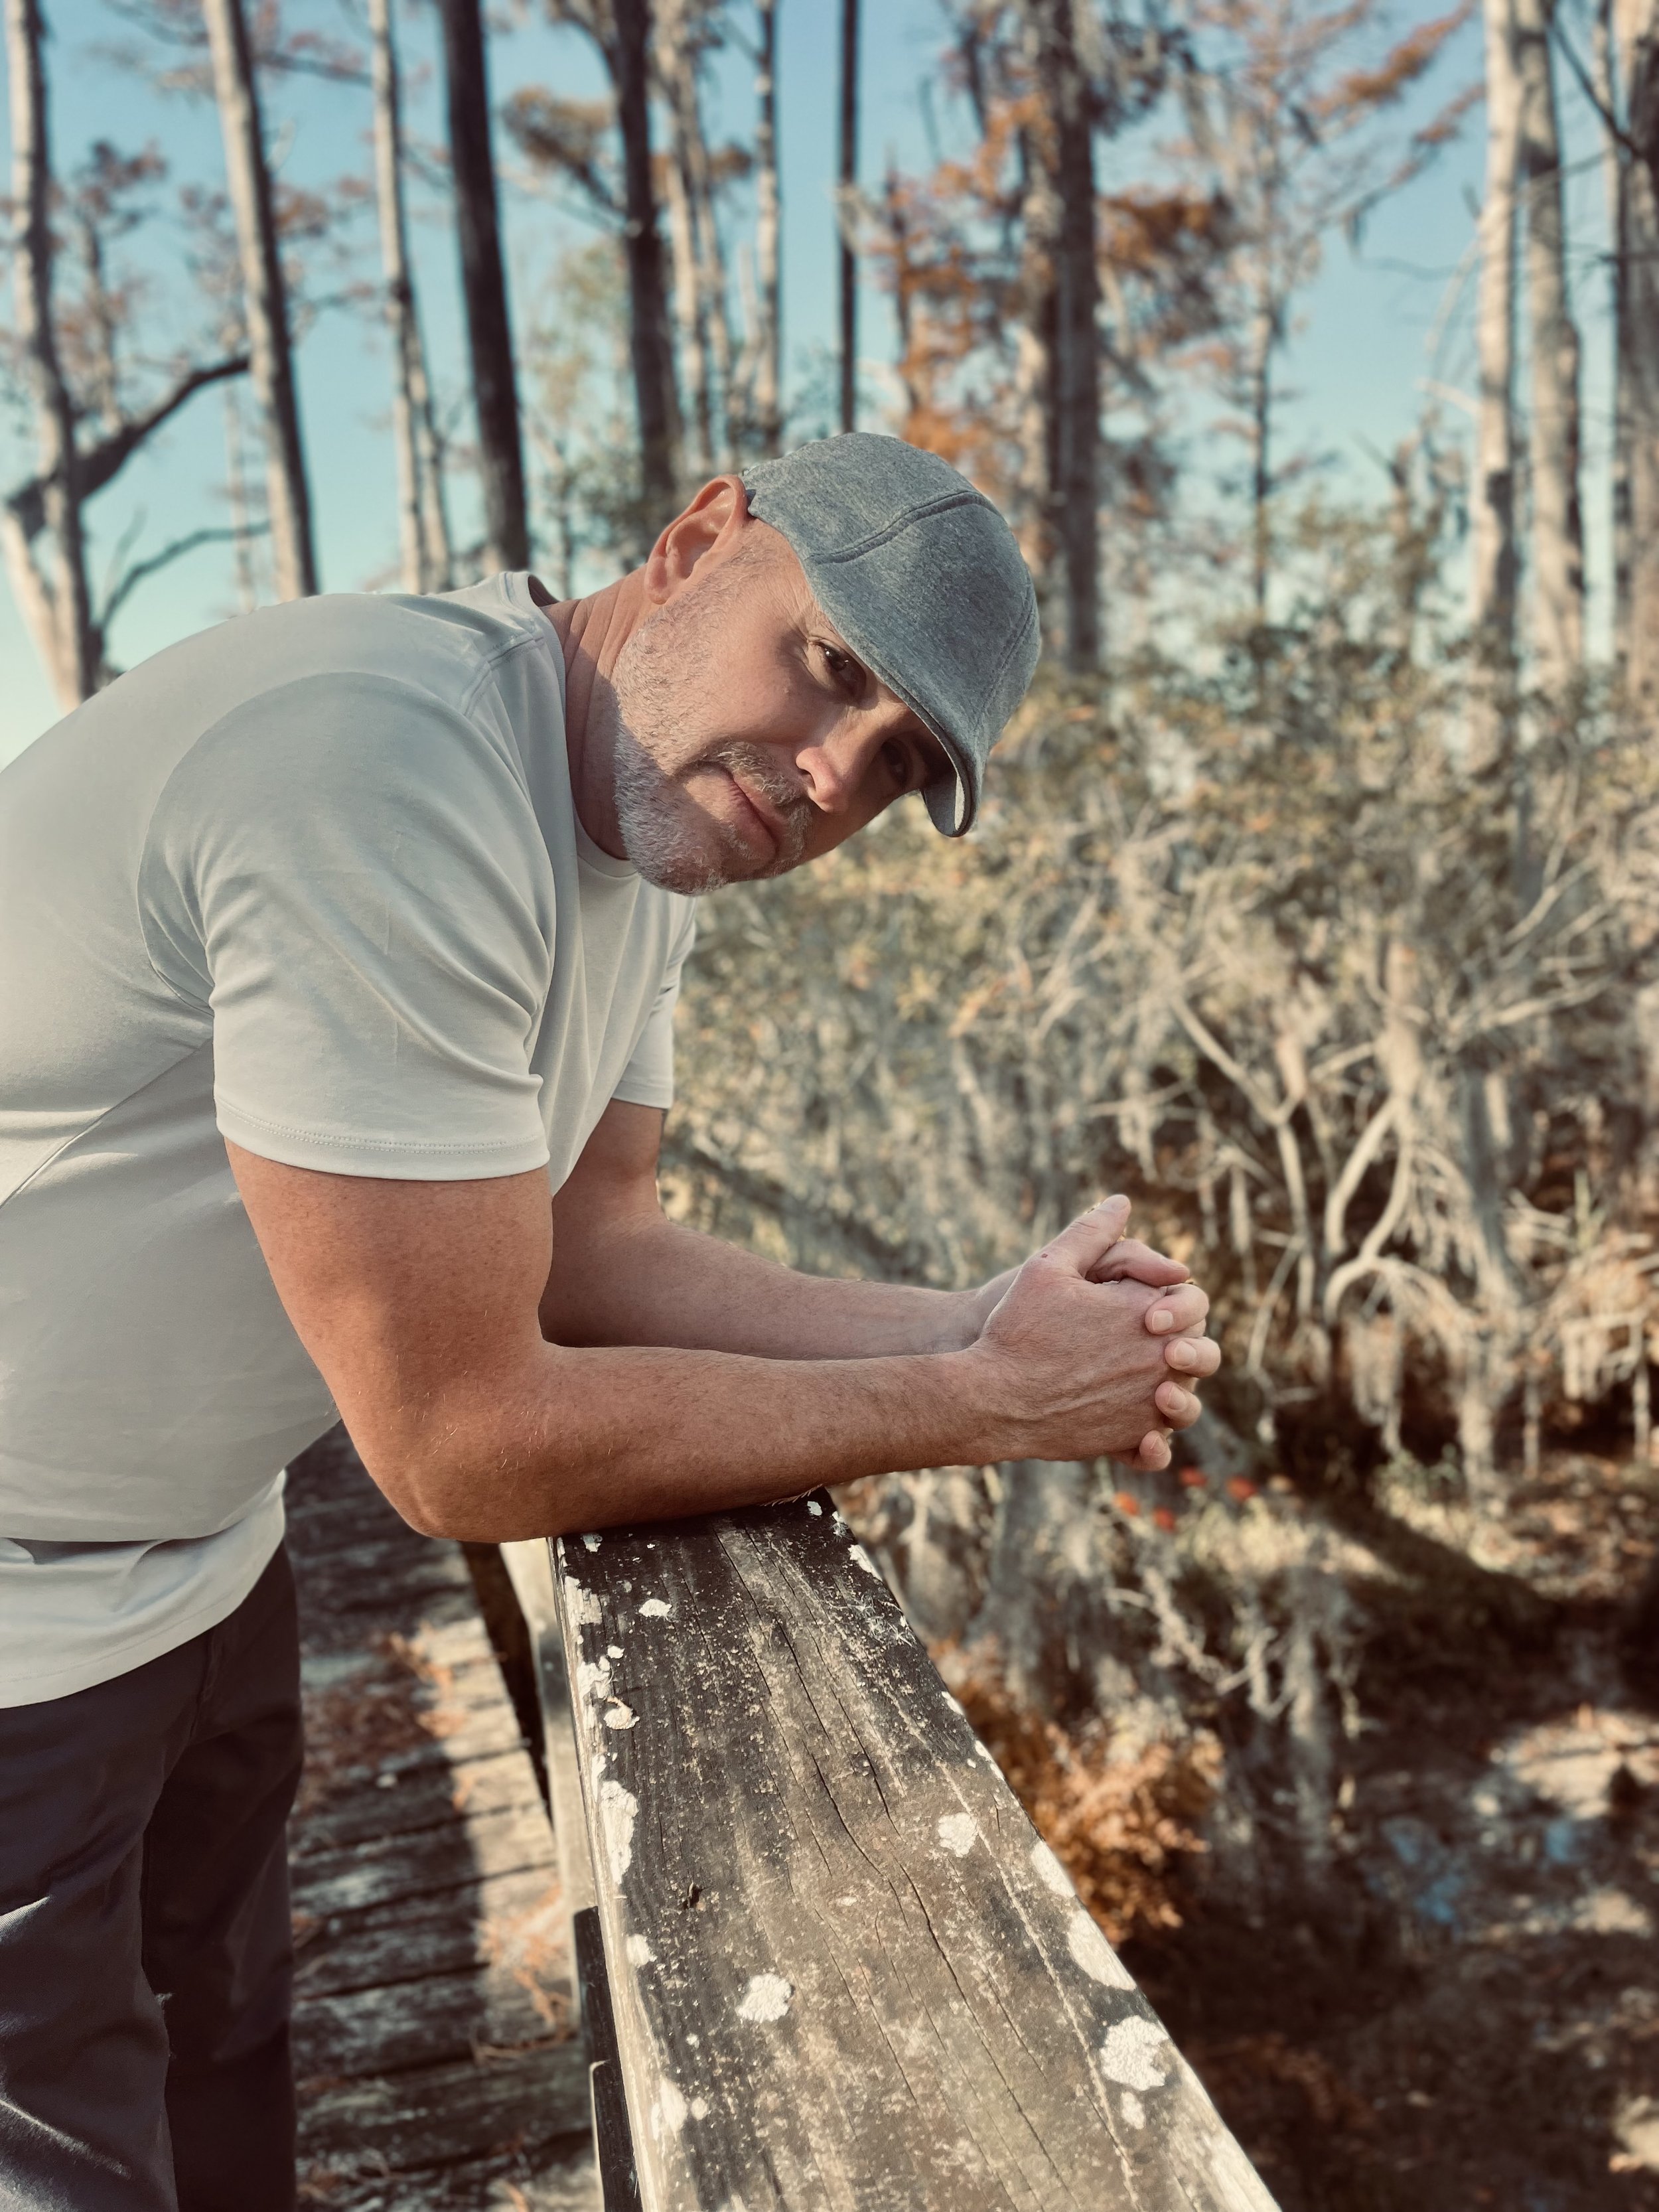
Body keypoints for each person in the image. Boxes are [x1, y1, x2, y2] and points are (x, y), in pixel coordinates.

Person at [0, 433, 1220, 2210]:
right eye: (831, 668)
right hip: (15, 1611)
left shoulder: (640, 836)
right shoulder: (380, 764)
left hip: (203, 1553)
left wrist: (975, 1317)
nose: (825, 775)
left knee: (224, 2084)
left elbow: (590, 1249)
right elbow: (458, 1441)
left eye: (894, 768)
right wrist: (978, 1399)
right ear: (698, 535)